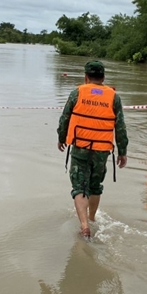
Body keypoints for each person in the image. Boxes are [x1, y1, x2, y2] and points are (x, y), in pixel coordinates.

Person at [58, 61, 128, 238]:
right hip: (102, 150)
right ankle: (92, 218)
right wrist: (123, 151)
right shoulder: (114, 97)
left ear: (86, 76)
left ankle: (84, 225)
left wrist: (61, 138)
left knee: (80, 186)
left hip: (80, 147)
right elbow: (120, 127)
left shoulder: (77, 92)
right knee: (95, 187)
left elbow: (64, 117)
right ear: (103, 78)